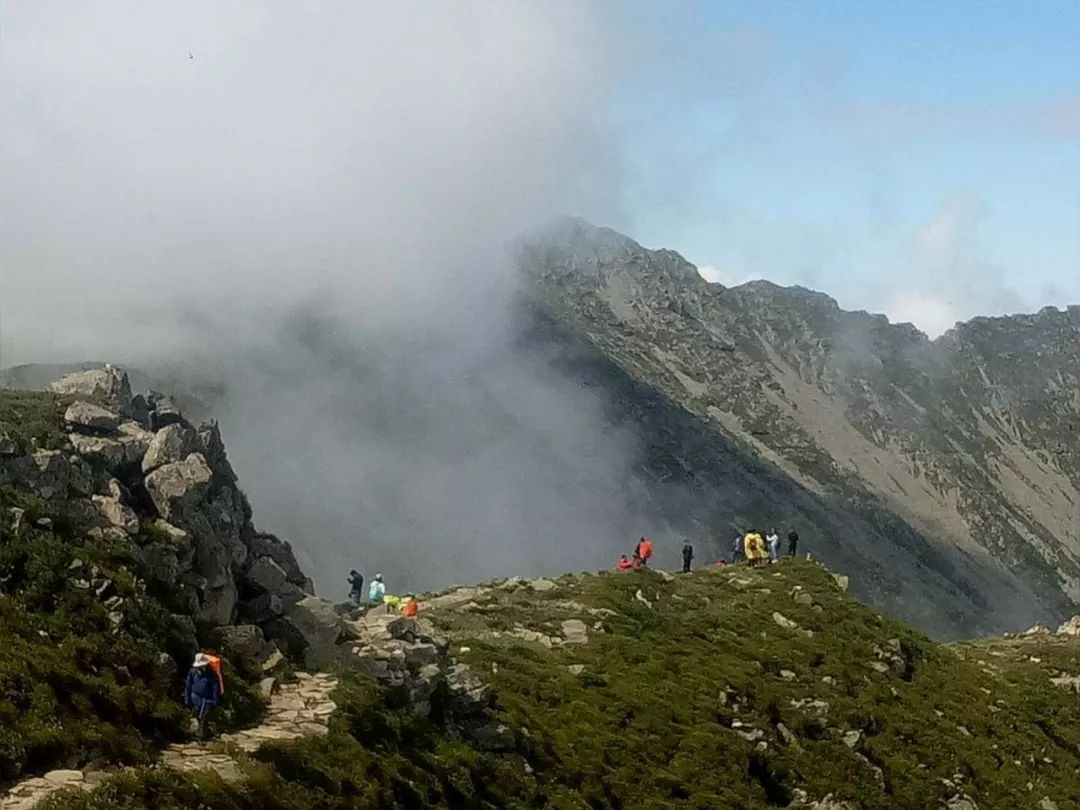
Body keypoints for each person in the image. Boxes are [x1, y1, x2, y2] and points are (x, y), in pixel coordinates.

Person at [184, 652, 222, 741]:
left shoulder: (211, 674)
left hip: (207, 700)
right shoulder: (192, 672)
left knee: (203, 718)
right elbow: (188, 685)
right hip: (194, 699)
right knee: (198, 717)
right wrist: (187, 698)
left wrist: (215, 700)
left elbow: (215, 688)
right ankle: (205, 734)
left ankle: (200, 737)